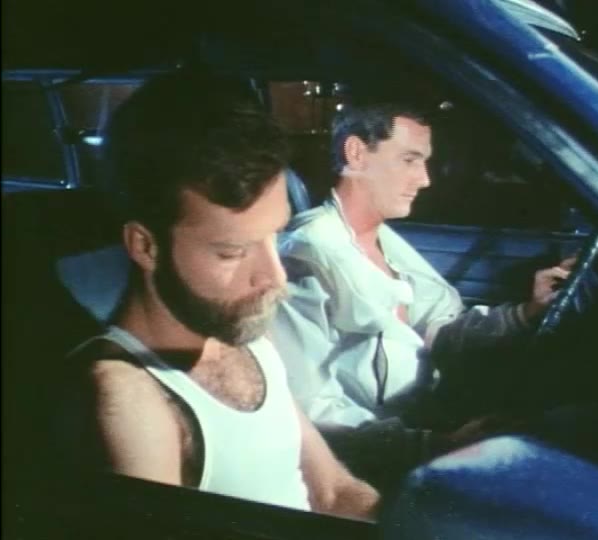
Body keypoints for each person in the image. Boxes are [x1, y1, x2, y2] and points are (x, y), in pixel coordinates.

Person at [56, 70, 379, 520]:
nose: (274, 277)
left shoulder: (241, 333)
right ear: (145, 246)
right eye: (232, 252)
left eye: (274, 236)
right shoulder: (127, 396)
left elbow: (333, 492)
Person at [269, 103, 575, 487]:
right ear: (356, 154)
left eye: (424, 162)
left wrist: (526, 312)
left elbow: (437, 331)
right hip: (377, 462)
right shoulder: (307, 255)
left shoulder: (384, 241)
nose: (425, 179)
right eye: (409, 160)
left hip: (431, 419)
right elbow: (312, 411)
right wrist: (435, 445)